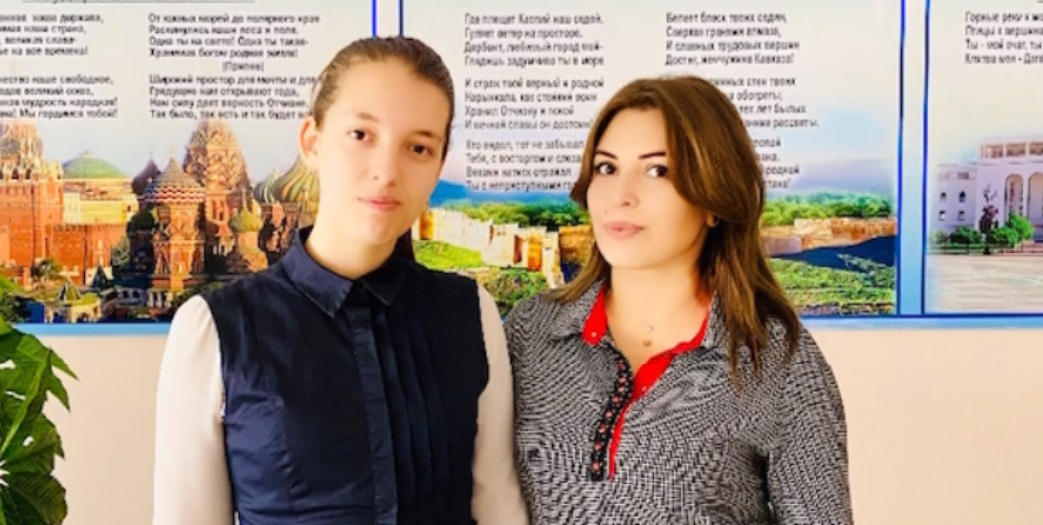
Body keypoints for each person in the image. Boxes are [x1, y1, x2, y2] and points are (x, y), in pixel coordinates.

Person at [152, 36, 528, 525]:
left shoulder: (468, 314)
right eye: (361, 134)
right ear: (312, 141)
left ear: (438, 166)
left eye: (418, 148)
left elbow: (498, 507)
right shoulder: (217, 330)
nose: (386, 172)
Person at [505, 75, 852, 524]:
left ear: (713, 201)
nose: (620, 196)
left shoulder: (776, 359)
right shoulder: (530, 330)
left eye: (658, 171)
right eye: (606, 168)